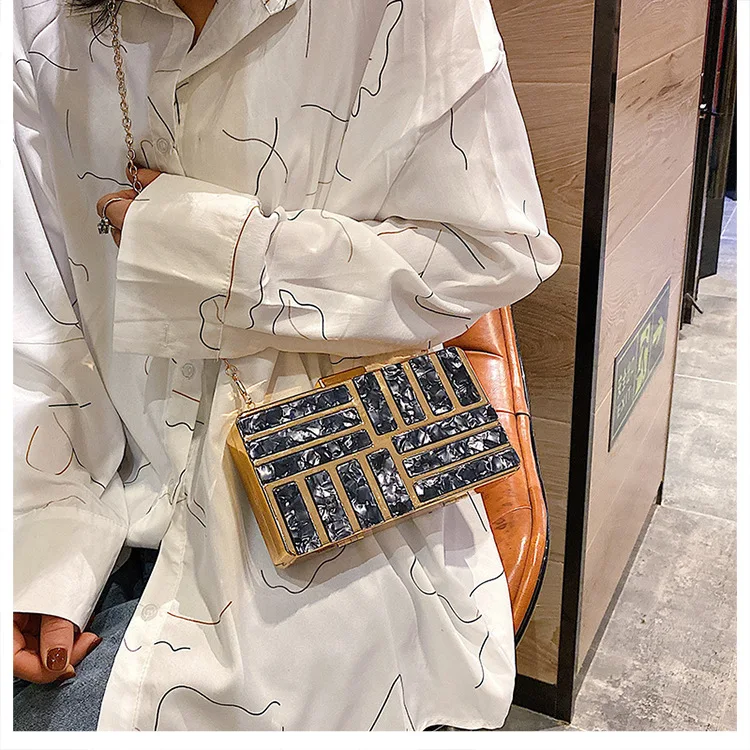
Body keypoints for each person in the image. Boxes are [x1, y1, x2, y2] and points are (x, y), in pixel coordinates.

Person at [13, 0, 562, 731]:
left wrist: (209, 250)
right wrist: (44, 549)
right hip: (116, 494)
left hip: (354, 519)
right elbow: (36, 312)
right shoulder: (37, 24)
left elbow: (493, 251)